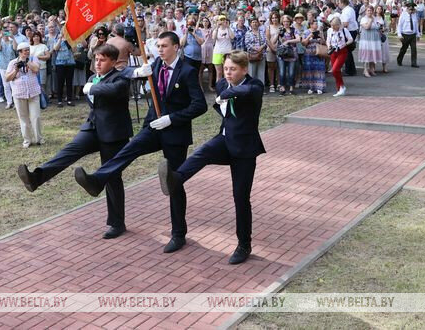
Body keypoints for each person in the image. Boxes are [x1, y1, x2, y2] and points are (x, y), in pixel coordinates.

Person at [73, 31, 207, 254]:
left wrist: (172, 119)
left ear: (176, 47)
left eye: (164, 46)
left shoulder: (187, 71)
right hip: (153, 127)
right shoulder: (156, 65)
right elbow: (124, 71)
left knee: (174, 181)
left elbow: (199, 105)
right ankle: (98, 180)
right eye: (158, 46)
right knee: (128, 150)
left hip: (175, 133)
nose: (160, 49)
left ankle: (178, 234)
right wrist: (136, 72)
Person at [157, 50, 265, 264]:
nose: (228, 73)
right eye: (226, 68)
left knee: (240, 198)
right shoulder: (223, 84)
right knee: (202, 152)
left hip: (244, 150)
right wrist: (224, 95)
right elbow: (221, 104)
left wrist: (226, 95)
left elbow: (245, 91)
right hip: (224, 141)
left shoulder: (255, 85)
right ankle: (175, 179)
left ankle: (244, 245)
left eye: (233, 69)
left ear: (244, 69)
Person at [17, 44, 132, 239]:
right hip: (92, 128)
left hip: (114, 133)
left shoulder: (120, 78)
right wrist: (92, 85)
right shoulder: (92, 79)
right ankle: (37, 177)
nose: (98, 63)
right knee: (69, 151)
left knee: (112, 176)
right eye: (96, 59)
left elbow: (114, 90)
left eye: (103, 60)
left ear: (113, 62)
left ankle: (117, 223)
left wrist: (93, 88)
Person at [5, 42, 42, 148]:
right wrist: (16, 70)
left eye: (28, 50)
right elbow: (7, 78)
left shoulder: (33, 59)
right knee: (23, 118)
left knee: (36, 117)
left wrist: (27, 62)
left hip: (33, 92)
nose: (27, 52)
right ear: (19, 52)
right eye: (25, 50)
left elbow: (36, 69)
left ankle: (39, 139)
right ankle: (27, 140)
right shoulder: (13, 63)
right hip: (19, 93)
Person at [327, 16, 353, 96]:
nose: (333, 27)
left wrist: (345, 44)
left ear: (338, 25)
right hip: (333, 52)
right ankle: (340, 88)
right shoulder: (330, 30)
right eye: (331, 25)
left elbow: (351, 39)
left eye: (334, 25)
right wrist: (329, 46)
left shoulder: (344, 30)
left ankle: (341, 86)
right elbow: (328, 40)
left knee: (335, 70)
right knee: (336, 71)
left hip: (342, 51)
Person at [276, 15, 300, 95]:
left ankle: (291, 88)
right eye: (284, 21)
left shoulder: (294, 30)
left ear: (290, 22)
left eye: (287, 21)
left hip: (292, 53)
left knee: (291, 72)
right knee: (282, 72)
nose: (286, 23)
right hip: (282, 53)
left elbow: (298, 39)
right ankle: (282, 87)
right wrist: (278, 34)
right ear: (282, 22)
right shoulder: (280, 30)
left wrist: (288, 41)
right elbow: (277, 40)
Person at [300, 20, 327, 93]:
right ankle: (311, 87)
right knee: (310, 70)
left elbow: (324, 43)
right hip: (309, 53)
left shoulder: (319, 32)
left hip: (318, 53)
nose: (317, 25)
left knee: (319, 69)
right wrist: (309, 36)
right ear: (311, 25)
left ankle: (319, 87)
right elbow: (303, 43)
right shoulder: (306, 32)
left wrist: (321, 37)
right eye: (315, 24)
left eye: (317, 24)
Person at [357, 6, 382, 78]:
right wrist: (370, 20)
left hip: (374, 39)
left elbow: (378, 27)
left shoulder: (375, 18)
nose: (370, 12)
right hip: (366, 40)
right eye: (368, 10)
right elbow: (367, 27)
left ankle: (371, 69)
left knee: (372, 54)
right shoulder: (363, 19)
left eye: (371, 10)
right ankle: (365, 70)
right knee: (366, 55)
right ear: (365, 12)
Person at [396, 1, 421, 68]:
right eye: (410, 9)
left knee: (414, 49)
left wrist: (418, 34)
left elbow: (416, 25)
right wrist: (399, 35)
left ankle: (414, 63)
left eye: (412, 10)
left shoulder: (414, 15)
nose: (411, 11)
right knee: (404, 49)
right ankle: (399, 60)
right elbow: (399, 25)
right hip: (405, 35)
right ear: (407, 9)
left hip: (412, 35)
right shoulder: (403, 15)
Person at [339, 0, 359, 75]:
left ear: (342, 3)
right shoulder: (350, 9)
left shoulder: (346, 11)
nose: (338, 4)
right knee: (348, 51)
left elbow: (345, 23)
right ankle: (351, 69)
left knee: (347, 51)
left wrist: (338, 28)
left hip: (349, 31)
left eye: (339, 3)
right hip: (352, 30)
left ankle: (349, 70)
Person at [244, 17, 267, 83]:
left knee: (261, 73)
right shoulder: (248, 33)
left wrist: (261, 48)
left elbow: (265, 42)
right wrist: (255, 48)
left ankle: (261, 87)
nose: (254, 23)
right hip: (252, 55)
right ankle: (252, 87)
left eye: (256, 22)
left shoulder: (262, 32)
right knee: (251, 73)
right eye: (253, 22)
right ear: (250, 24)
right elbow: (247, 43)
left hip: (261, 54)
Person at [212, 15, 233, 84]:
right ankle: (219, 88)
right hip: (218, 52)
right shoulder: (216, 30)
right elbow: (213, 39)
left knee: (227, 73)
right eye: (221, 20)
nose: (223, 21)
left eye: (224, 20)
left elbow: (232, 37)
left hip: (227, 52)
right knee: (219, 73)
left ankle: (227, 88)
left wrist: (228, 27)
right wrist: (217, 27)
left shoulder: (228, 29)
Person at [373, 5, 390, 74]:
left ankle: (384, 67)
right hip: (375, 36)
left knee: (384, 51)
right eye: (378, 9)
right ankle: (373, 67)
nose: (379, 10)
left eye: (380, 9)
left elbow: (387, 27)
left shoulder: (383, 18)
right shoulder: (373, 18)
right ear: (375, 9)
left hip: (382, 36)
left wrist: (384, 29)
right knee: (375, 51)